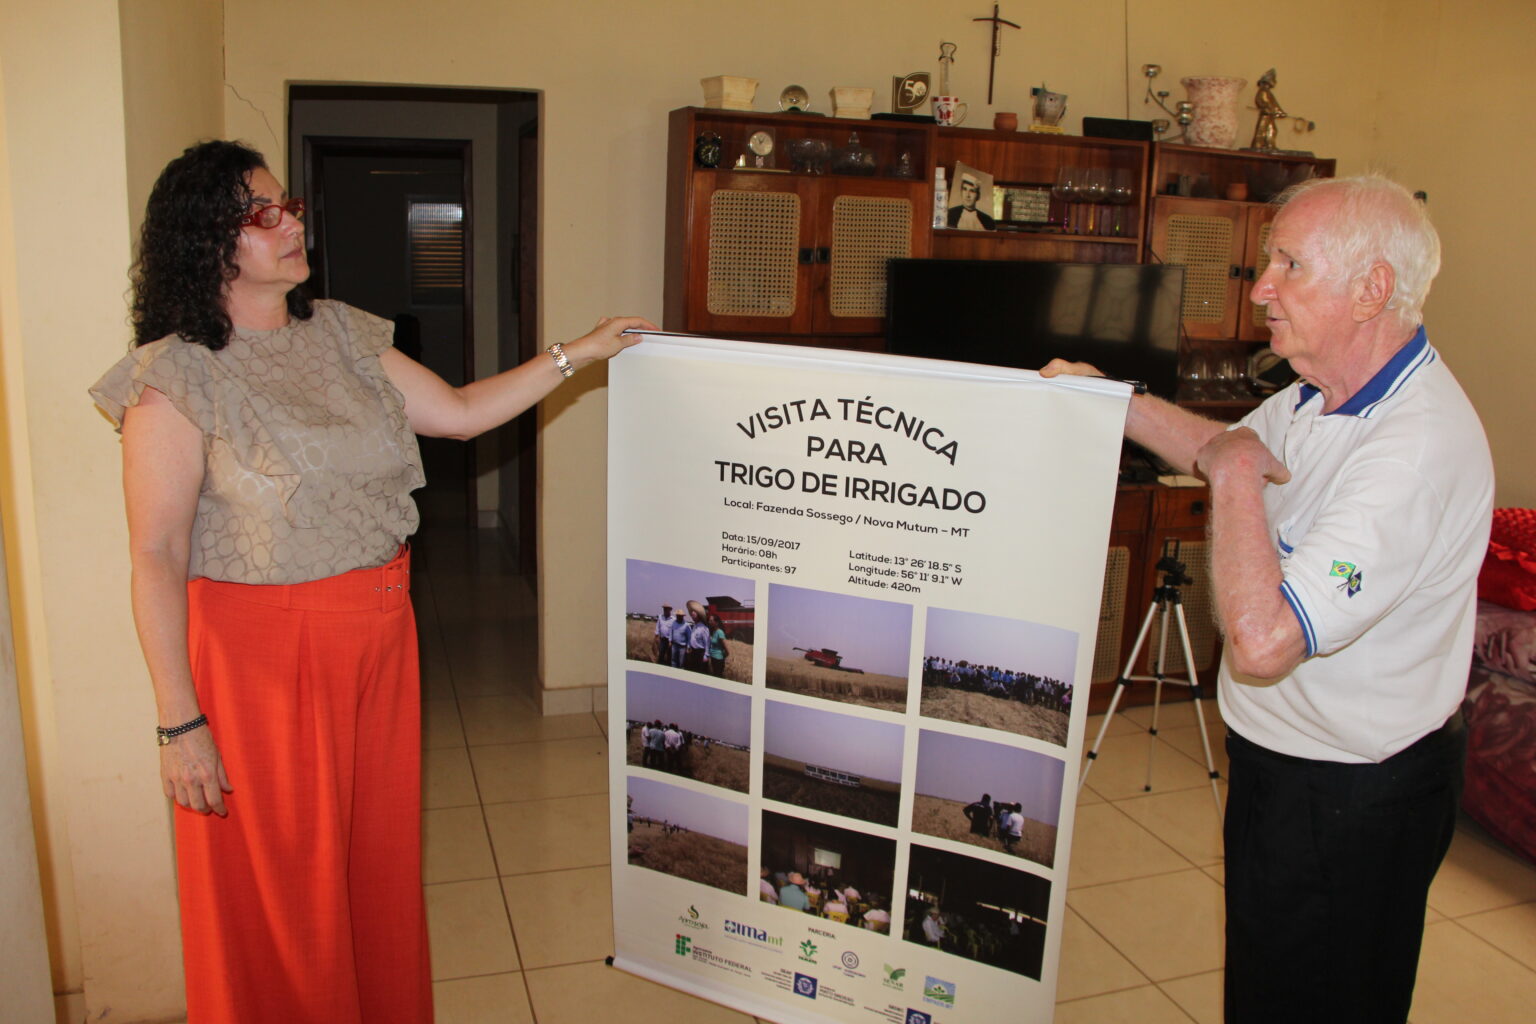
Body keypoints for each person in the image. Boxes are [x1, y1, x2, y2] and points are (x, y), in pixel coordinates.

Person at [89, 139, 653, 1024]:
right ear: (208, 241)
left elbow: (460, 414)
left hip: (379, 637)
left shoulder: (343, 333)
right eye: (263, 214)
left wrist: (581, 351)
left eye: (289, 205)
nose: (291, 224)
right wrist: (178, 719)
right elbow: (156, 551)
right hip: (264, 657)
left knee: (373, 868)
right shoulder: (178, 375)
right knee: (286, 890)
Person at [1044, 174, 1492, 1023]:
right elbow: (1228, 445)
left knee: (1320, 1000)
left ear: (1372, 290)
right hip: (1281, 762)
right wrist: (1111, 399)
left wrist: (1234, 476)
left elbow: (1263, 640)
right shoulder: (1322, 392)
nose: (1260, 289)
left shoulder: (1414, 450)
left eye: (1290, 264)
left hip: (1354, 793)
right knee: (1268, 985)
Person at [707, 612, 729, 677]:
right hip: (713, 658)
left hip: (718, 660)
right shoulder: (713, 631)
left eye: (711, 621)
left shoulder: (720, 632)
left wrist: (724, 656)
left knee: (718, 676)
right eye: (709, 620)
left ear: (716, 622)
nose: (709, 622)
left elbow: (726, 647)